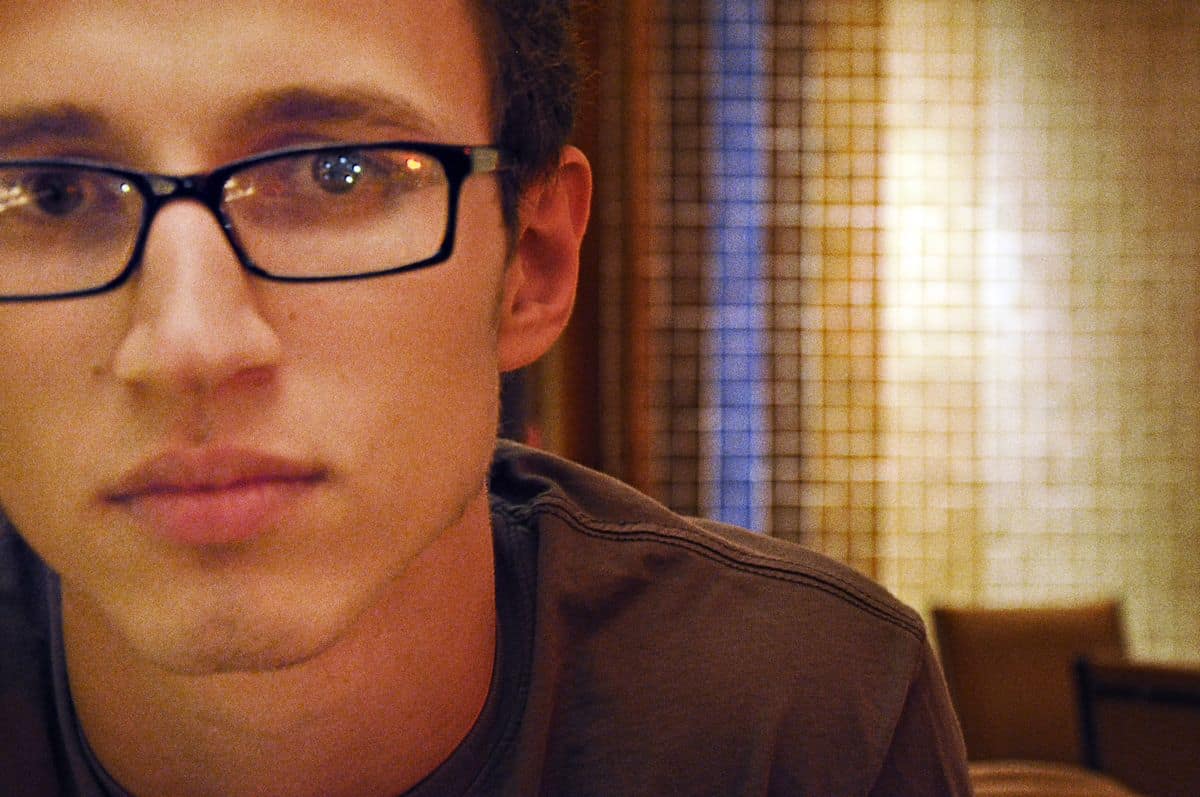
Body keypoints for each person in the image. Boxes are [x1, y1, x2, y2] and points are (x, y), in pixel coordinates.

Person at [0, 1, 971, 794]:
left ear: (531, 264)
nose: (190, 347)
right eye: (48, 194)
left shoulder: (791, 717)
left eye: (339, 175)